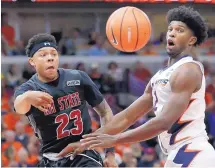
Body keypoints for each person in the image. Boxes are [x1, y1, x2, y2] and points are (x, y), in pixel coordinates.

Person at [61, 6, 215, 167]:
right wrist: (85, 142)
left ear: (191, 40)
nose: (172, 33)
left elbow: (163, 122)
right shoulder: (159, 76)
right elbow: (127, 116)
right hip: (178, 154)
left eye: (180, 30)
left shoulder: (188, 70)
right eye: (170, 29)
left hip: (194, 152)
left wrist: (116, 140)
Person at [13, 33, 117, 167]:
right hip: (51, 159)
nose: (50, 58)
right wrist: (27, 97)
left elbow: (105, 113)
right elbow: (19, 107)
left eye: (53, 54)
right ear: (32, 61)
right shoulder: (28, 88)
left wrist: (110, 153)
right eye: (43, 55)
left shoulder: (78, 77)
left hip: (83, 154)